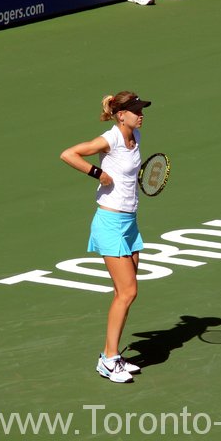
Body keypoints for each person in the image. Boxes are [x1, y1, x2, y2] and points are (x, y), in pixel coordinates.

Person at [60, 91, 152, 383]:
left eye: (142, 109)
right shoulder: (109, 139)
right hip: (110, 223)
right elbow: (69, 154)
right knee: (128, 292)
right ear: (120, 115)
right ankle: (109, 360)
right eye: (136, 110)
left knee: (123, 294)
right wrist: (97, 173)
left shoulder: (134, 137)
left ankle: (111, 356)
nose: (141, 114)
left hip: (129, 223)